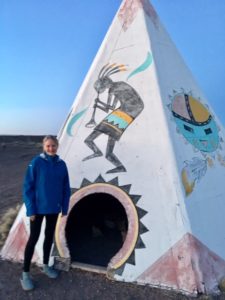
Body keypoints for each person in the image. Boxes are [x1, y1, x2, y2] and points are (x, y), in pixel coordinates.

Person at [20, 135, 71, 291]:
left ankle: (45, 266)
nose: (51, 148)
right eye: (48, 146)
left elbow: (65, 188)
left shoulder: (62, 165)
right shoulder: (36, 162)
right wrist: (31, 209)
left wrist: (64, 207)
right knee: (33, 239)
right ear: (44, 146)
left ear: (57, 146)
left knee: (49, 238)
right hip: (38, 209)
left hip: (53, 209)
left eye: (53, 145)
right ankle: (25, 274)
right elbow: (27, 188)